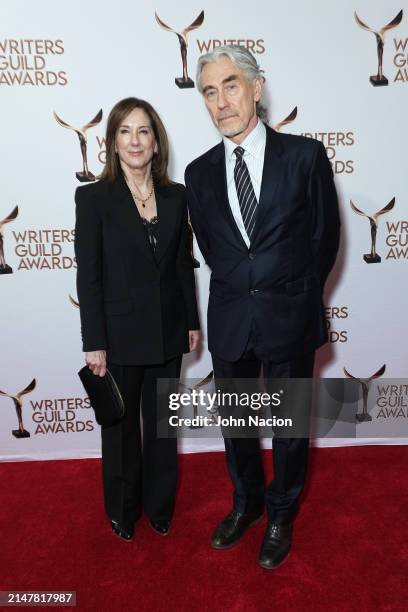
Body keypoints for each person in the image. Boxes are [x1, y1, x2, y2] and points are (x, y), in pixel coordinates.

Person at [185, 46, 340, 569]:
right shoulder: (198, 173)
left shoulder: (304, 156)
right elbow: (213, 247)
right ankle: (247, 503)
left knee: (290, 428)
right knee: (238, 425)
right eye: (210, 90)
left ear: (256, 87)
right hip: (231, 317)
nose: (221, 101)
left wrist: (290, 289)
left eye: (231, 85)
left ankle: (280, 513)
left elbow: (324, 238)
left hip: (289, 314)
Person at [74, 97, 200, 542]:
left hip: (168, 330)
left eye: (143, 130)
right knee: (122, 431)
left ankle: (160, 507)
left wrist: (191, 320)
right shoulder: (94, 198)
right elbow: (88, 277)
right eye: (124, 131)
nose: (134, 140)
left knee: (163, 428)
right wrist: (94, 341)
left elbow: (183, 265)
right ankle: (123, 511)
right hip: (120, 334)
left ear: (155, 140)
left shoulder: (176, 194)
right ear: (112, 141)